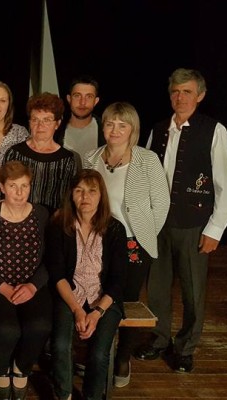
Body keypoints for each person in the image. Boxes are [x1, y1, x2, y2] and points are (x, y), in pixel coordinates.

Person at [134, 68, 227, 373]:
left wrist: (215, 229)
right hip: (158, 223)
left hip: (194, 224)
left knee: (193, 290)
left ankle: (186, 348)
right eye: (175, 92)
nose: (180, 98)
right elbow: (144, 175)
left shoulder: (214, 130)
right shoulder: (158, 129)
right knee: (157, 287)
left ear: (200, 96)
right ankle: (159, 339)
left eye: (187, 92)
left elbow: (225, 184)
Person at [83, 101, 170, 387]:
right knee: (97, 296)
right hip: (97, 241)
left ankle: (122, 357)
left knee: (128, 302)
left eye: (122, 125)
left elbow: (161, 203)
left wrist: (145, 236)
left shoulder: (147, 160)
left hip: (134, 243)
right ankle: (97, 352)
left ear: (133, 129)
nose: (115, 130)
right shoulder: (91, 158)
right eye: (110, 124)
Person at [45, 169, 127, 400]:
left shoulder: (115, 229)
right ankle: (64, 394)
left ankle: (92, 396)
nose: (85, 197)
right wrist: (77, 310)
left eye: (92, 191)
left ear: (101, 196)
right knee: (60, 346)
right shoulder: (59, 226)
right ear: (71, 195)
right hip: (69, 295)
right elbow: (57, 274)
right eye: (79, 191)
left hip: (104, 299)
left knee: (99, 354)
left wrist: (97, 312)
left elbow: (118, 279)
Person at [0, 160, 52, 400]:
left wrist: (32, 286)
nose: (19, 192)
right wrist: (5, 288)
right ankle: (1, 369)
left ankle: (21, 368)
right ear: (2, 187)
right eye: (13, 186)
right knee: (7, 329)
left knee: (39, 326)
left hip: (31, 286)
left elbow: (50, 261)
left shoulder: (41, 214)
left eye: (24, 186)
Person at [3, 92, 78, 214]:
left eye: (46, 120)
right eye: (35, 120)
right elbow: (2, 194)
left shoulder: (67, 159)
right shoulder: (14, 153)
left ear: (57, 123)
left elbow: (68, 202)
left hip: (53, 221)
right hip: (16, 218)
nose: (40, 126)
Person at [55, 75, 105, 159]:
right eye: (77, 96)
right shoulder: (55, 131)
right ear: (69, 99)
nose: (82, 102)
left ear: (96, 101)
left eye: (89, 96)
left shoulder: (106, 131)